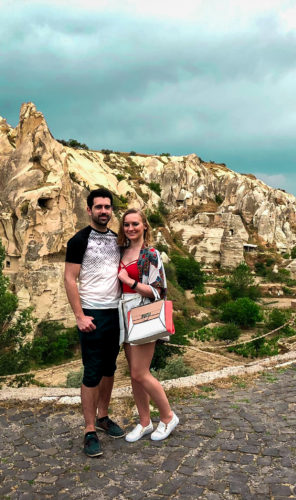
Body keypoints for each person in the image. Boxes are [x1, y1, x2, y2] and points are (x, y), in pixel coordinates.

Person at [64, 188, 125, 457]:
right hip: (92, 313)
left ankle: (103, 417)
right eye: (98, 207)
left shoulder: (116, 239)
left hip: (115, 313)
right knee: (91, 372)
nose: (103, 211)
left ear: (112, 210)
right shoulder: (79, 240)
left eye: (107, 207)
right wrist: (79, 316)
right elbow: (69, 278)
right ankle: (89, 430)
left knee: (109, 369)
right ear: (89, 210)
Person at [117, 208, 178, 442]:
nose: (130, 228)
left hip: (141, 313)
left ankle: (168, 416)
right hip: (123, 313)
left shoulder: (150, 254)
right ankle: (144, 423)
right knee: (134, 375)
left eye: (135, 224)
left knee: (140, 372)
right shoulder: (121, 251)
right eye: (126, 225)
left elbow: (158, 290)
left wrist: (129, 281)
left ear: (144, 226)